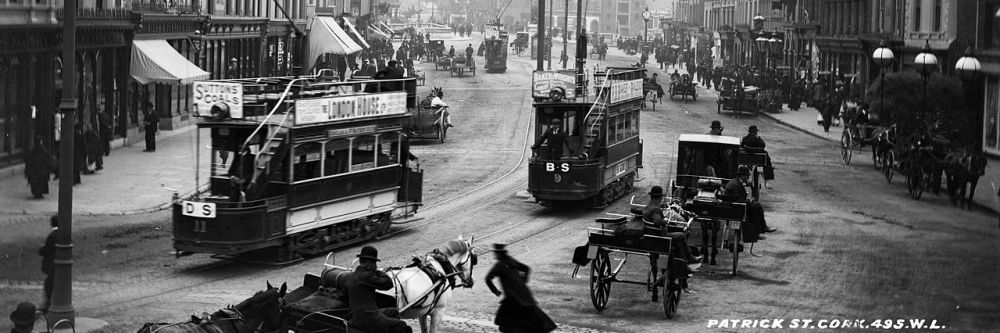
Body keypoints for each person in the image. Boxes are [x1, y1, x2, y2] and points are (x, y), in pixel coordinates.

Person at [484, 244, 556, 333]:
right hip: (524, 295)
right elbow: (526, 268)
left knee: (509, 323)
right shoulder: (510, 260)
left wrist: (496, 291)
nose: (494, 255)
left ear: (498, 254)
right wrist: (523, 281)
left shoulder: (499, 264)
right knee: (529, 319)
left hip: (513, 298)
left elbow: (487, 278)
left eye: (495, 253)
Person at [345, 246, 412, 333]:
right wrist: (377, 271)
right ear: (368, 262)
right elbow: (388, 283)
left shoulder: (350, 276)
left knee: (393, 311)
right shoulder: (366, 276)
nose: (376, 265)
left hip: (356, 317)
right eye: (375, 263)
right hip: (370, 319)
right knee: (402, 326)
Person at [721, 166, 776, 242]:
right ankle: (761, 229)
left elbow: (738, 198)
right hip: (735, 208)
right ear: (742, 175)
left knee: (756, 207)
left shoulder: (735, 182)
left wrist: (749, 200)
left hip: (733, 205)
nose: (747, 178)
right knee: (756, 207)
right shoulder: (736, 185)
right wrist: (749, 201)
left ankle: (760, 230)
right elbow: (739, 200)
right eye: (746, 176)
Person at [39, 216, 58, 312]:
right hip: (57, 264)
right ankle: (49, 303)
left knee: (48, 285)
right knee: (51, 283)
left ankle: (48, 305)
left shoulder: (52, 236)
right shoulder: (63, 234)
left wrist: (41, 249)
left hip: (52, 264)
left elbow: (46, 249)